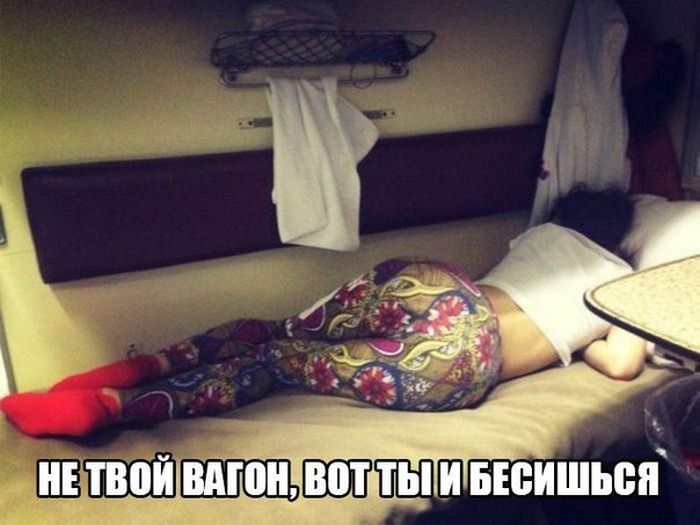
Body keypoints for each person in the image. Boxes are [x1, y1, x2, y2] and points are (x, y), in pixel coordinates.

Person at [0, 188, 648, 437]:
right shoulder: (625, 285)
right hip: (461, 361)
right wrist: (585, 338)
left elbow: (496, 289)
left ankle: (143, 364)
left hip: (438, 288)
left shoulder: (544, 236)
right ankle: (115, 406)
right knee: (277, 365)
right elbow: (622, 365)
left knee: (279, 329)